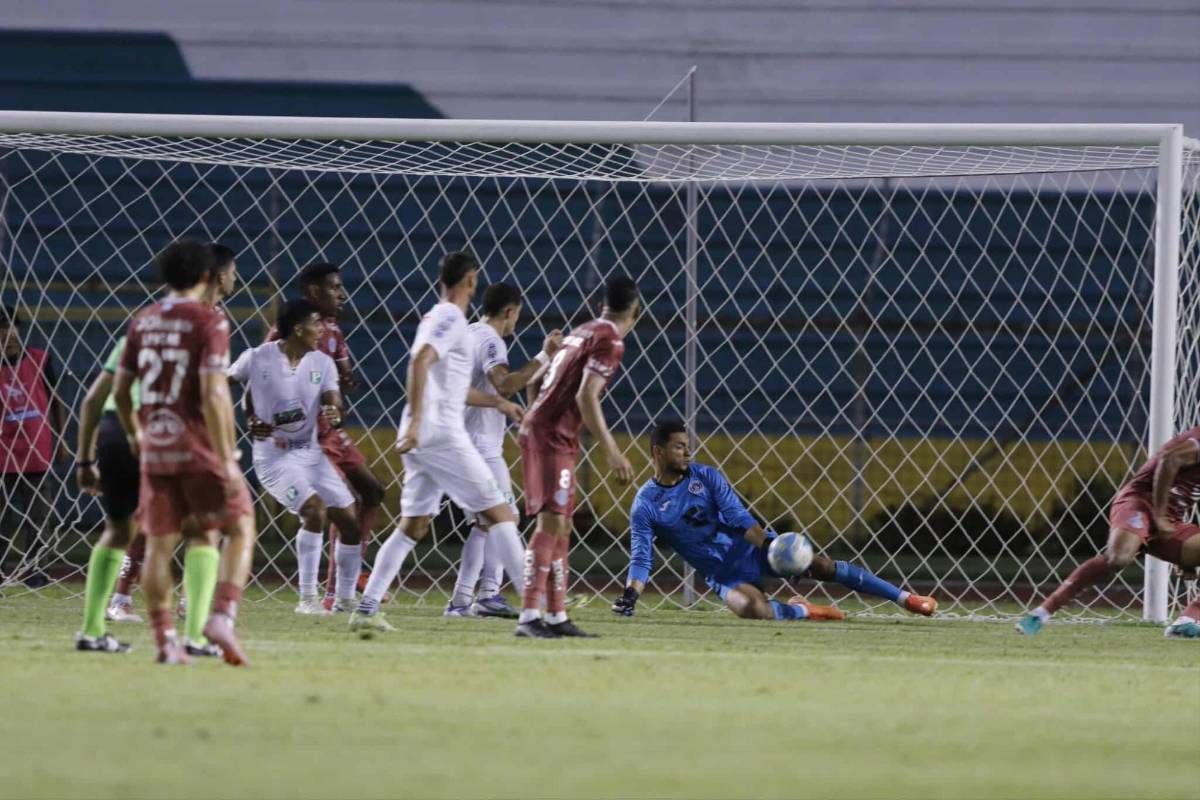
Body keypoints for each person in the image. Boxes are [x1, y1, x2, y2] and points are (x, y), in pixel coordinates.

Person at [348, 251, 526, 634]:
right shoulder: (450, 317)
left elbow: (452, 387)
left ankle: (366, 607)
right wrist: (416, 422)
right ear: (471, 281)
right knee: (502, 515)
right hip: (440, 434)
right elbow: (419, 361)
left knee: (413, 526)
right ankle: (536, 614)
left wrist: (498, 403)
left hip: (425, 435)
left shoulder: (440, 317)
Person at [612, 420, 938, 621]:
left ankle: (906, 598)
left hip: (752, 548)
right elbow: (642, 557)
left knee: (821, 566)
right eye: (679, 447)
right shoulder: (645, 505)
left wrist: (771, 546)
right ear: (658, 452)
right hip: (722, 574)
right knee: (752, 610)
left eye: (688, 446)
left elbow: (738, 516)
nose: (687, 452)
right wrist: (631, 594)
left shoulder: (706, 476)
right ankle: (805, 610)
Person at [113, 238, 256, 665]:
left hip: (155, 446)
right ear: (208, 276)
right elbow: (213, 393)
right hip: (196, 445)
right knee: (240, 524)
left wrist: (137, 437)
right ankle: (222, 616)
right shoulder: (209, 321)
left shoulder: (143, 320)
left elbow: (121, 392)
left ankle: (165, 641)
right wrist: (227, 457)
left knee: (160, 543)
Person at [515, 276, 639, 638]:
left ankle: (556, 616)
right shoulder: (611, 340)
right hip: (552, 436)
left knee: (562, 526)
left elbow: (536, 380)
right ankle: (528, 616)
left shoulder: (581, 330)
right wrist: (612, 451)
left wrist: (536, 416)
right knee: (549, 524)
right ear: (636, 311)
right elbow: (587, 395)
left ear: (603, 306)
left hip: (550, 432)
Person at [266, 262, 386, 608]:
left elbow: (342, 376)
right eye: (335, 288)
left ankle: (350, 572)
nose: (342, 294)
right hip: (305, 436)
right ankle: (331, 591)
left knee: (373, 491)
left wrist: (346, 381)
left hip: (330, 430)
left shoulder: (332, 329)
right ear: (314, 292)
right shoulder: (282, 333)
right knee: (336, 505)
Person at [229, 298, 361, 614]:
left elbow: (334, 402)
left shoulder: (322, 363)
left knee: (349, 519)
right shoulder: (256, 357)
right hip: (273, 458)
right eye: (316, 324)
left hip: (310, 454)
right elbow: (218, 386)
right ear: (299, 329)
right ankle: (307, 599)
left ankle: (344, 600)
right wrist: (244, 420)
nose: (322, 330)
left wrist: (335, 413)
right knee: (314, 510)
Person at [445, 282, 562, 618]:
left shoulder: (468, 333)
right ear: (510, 311)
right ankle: (487, 596)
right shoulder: (491, 340)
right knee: (504, 518)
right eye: (517, 315)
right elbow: (505, 384)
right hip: (480, 446)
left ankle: (466, 599)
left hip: (465, 439)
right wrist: (545, 355)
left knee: (487, 523)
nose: (515, 321)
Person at [1016, 427, 1200, 639]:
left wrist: (1186, 557)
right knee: (1118, 558)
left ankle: (1187, 620)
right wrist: (1159, 515)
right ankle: (1041, 613)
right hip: (1140, 503)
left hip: (1172, 521)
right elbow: (1169, 459)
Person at [0, 305, 69, 587]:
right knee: (3, 518)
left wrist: (62, 439)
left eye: (11, 325)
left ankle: (35, 569)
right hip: (3, 452)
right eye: (2, 327)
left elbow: (57, 400)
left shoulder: (40, 359)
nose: (8, 332)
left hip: (35, 450)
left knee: (40, 516)